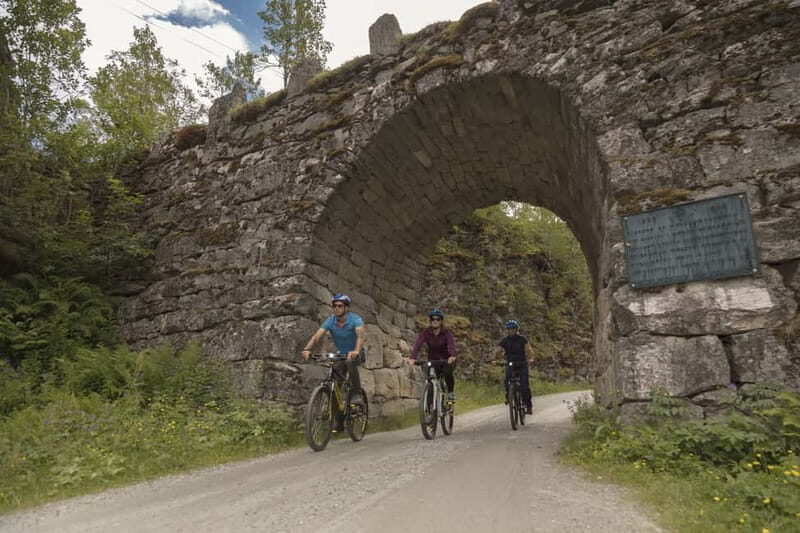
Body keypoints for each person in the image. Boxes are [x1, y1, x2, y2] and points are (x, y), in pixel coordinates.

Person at [301, 293, 366, 431]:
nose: (336, 308)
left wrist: (355, 350)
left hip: (356, 353)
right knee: (335, 385)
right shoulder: (330, 321)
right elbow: (317, 336)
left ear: (346, 308)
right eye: (334, 306)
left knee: (349, 361)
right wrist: (307, 349)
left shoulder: (355, 319)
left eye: (340, 306)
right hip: (340, 355)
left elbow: (360, 336)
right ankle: (339, 421)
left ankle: (356, 394)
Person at [406, 308, 458, 401]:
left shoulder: (446, 333)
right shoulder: (426, 333)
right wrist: (412, 358)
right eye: (432, 319)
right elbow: (418, 345)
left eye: (437, 319)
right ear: (430, 321)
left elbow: (451, 345)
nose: (435, 321)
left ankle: (450, 393)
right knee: (430, 379)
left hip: (445, 360)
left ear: (441, 321)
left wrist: (452, 356)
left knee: (447, 373)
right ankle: (430, 407)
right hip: (433, 360)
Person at [494, 319, 534, 414]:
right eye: (509, 329)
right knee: (507, 380)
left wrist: (531, 358)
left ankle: (528, 405)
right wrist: (494, 359)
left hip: (522, 363)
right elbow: (497, 351)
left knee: (524, 385)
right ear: (507, 330)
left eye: (513, 329)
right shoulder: (505, 340)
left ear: (516, 329)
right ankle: (509, 396)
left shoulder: (522, 339)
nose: (511, 331)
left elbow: (529, 350)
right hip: (511, 363)